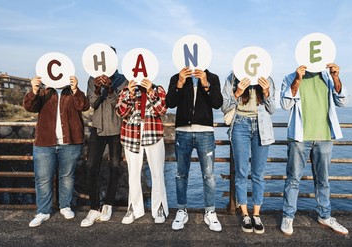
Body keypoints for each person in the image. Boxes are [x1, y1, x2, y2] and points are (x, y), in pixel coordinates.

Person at [280, 63, 349, 236]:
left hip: (324, 136)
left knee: (323, 180)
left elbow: (342, 100)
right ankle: (288, 217)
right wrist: (297, 79)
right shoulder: (290, 77)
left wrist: (335, 77)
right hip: (299, 137)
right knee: (293, 179)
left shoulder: (327, 76)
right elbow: (285, 104)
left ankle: (324, 216)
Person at [23, 76, 90, 227]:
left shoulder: (71, 91)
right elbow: (29, 107)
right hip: (45, 142)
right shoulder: (43, 91)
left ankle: (65, 206)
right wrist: (34, 90)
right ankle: (43, 211)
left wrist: (75, 89)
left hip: (70, 142)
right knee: (43, 179)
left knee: (67, 176)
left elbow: (84, 106)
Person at [166, 67, 223, 232]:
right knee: (181, 174)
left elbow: (217, 103)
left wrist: (206, 84)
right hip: (182, 132)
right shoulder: (176, 76)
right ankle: (181, 210)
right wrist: (180, 83)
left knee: (209, 175)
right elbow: (170, 103)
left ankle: (210, 212)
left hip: (205, 132)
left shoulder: (213, 77)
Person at [221, 72, 275, 234]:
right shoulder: (231, 78)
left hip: (262, 126)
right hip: (239, 125)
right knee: (241, 172)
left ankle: (256, 214)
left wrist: (266, 92)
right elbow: (224, 107)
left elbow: (272, 109)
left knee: (258, 173)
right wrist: (237, 92)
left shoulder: (267, 78)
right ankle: (245, 214)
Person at [115, 78, 169, 224]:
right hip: (131, 134)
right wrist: (131, 94)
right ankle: (133, 208)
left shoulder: (158, 89)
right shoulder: (126, 91)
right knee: (133, 173)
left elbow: (162, 110)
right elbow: (121, 112)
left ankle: (159, 207)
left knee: (157, 173)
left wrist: (151, 91)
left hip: (153, 133)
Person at [80, 70, 127, 227]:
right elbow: (92, 103)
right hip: (98, 128)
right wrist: (98, 89)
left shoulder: (122, 80)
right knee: (91, 167)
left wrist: (111, 89)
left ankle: (108, 204)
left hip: (116, 128)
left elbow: (120, 106)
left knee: (115, 167)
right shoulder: (92, 79)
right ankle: (94, 207)